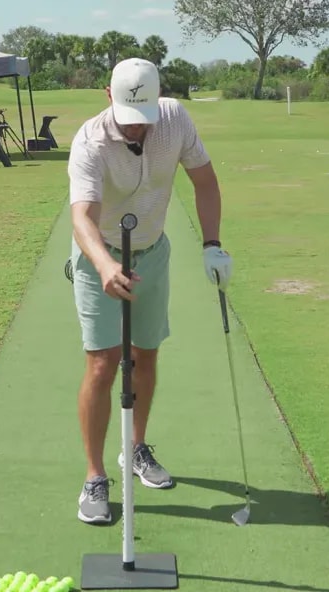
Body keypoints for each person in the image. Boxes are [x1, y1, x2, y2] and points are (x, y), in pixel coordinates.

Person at [65, 57, 232, 525]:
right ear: (108, 96)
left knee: (146, 354)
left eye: (143, 118)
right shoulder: (90, 141)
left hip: (152, 252)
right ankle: (95, 475)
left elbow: (205, 181)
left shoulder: (175, 118)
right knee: (102, 363)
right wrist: (105, 265)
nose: (136, 128)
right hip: (99, 255)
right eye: (128, 117)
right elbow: (81, 217)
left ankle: (135, 448)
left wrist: (212, 245)